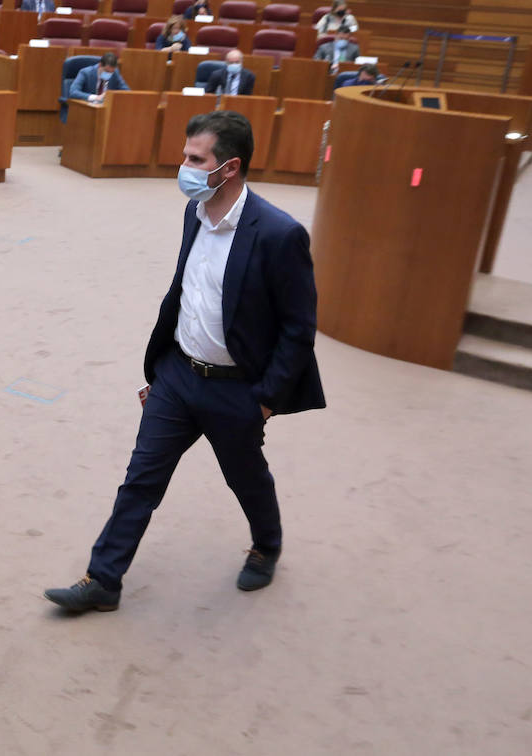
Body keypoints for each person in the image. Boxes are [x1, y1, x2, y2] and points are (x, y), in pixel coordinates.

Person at [44, 110, 324, 612]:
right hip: (178, 376)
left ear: (230, 167)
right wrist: (162, 371)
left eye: (196, 159)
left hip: (237, 389)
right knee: (140, 480)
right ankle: (104, 580)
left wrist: (263, 403)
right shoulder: (193, 213)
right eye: (186, 155)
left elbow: (298, 330)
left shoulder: (279, 234)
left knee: (245, 477)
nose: (185, 166)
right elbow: (186, 297)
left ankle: (267, 545)